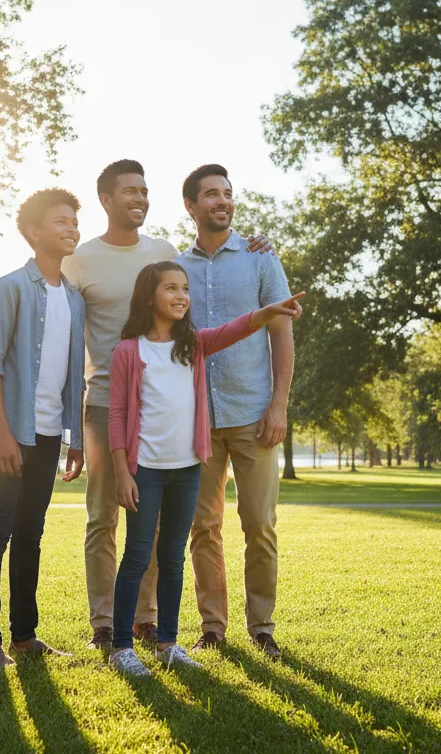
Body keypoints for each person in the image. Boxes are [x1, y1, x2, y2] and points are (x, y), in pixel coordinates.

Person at [62, 159, 271, 651]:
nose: (139, 198)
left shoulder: (162, 253)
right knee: (102, 518)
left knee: (154, 523)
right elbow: (71, 344)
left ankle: (146, 619)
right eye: (129, 191)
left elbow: (203, 316)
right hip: (105, 403)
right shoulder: (80, 260)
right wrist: (71, 420)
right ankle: (103, 623)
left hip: (159, 411)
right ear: (106, 200)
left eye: (144, 190)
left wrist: (258, 246)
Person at [106, 261, 303, 676]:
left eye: (185, 289)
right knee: (138, 555)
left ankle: (167, 644)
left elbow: (234, 330)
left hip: (187, 469)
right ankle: (121, 647)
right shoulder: (128, 351)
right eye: (171, 289)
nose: (181, 296)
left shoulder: (192, 345)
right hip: (145, 470)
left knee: (174, 558)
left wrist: (267, 313)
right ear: (148, 297)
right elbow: (118, 414)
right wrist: (123, 472)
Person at [176, 164, 299, 660]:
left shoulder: (260, 260)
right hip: (196, 419)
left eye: (228, 193)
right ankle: (213, 627)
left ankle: (262, 626)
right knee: (202, 528)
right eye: (211, 194)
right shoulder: (174, 268)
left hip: (253, 414)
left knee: (259, 524)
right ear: (191, 205)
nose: (222, 201)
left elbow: (282, 334)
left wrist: (279, 405)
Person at [0, 188, 87, 668]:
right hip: (7, 426)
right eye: (61, 222)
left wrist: (73, 436)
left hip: (47, 432)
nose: (71, 229)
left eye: (73, 222)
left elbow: (73, 374)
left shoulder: (75, 299)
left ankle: (24, 635)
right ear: (36, 233)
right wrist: (0, 432)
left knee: (31, 533)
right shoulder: (11, 287)